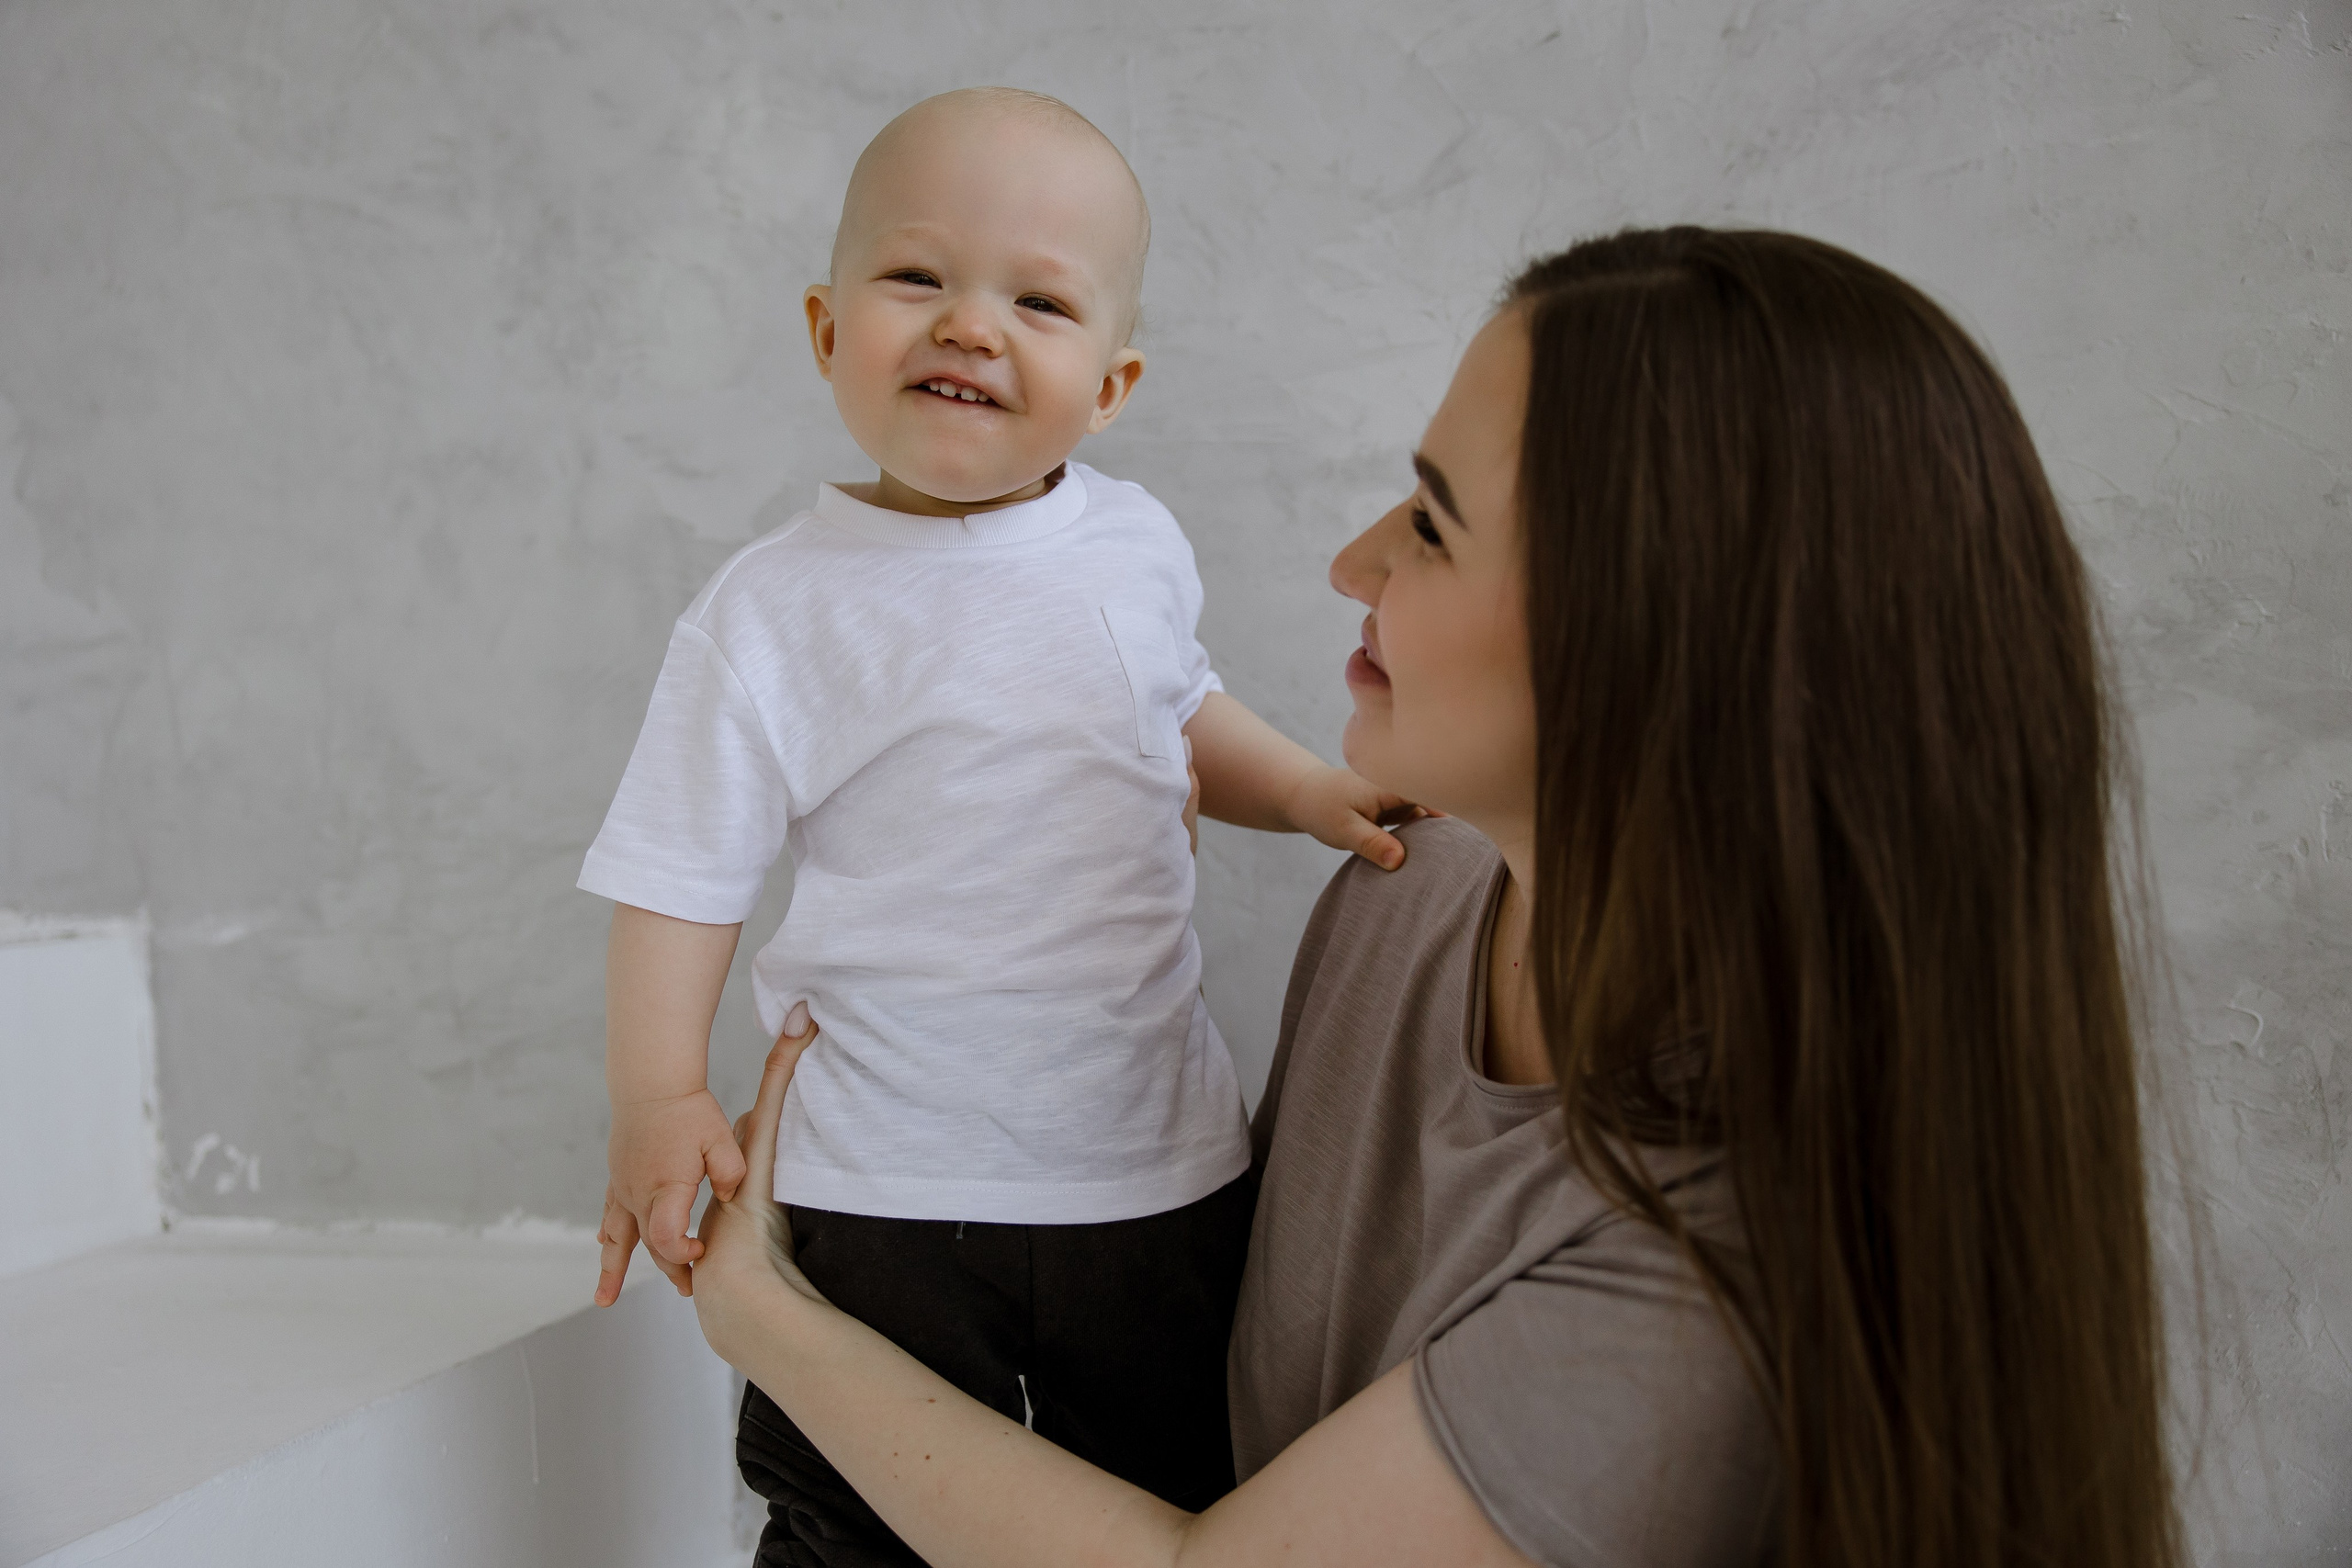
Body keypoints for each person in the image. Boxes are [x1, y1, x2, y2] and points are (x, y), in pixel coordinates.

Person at [687, 226, 2188, 1567]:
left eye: (1432, 521)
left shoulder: (1704, 1283)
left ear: (1654, 652)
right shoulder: (1409, 892)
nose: (1353, 564)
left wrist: (767, 1317)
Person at [578, 88, 1414, 1565]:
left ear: (1112, 383)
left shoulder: (1132, 541)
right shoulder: (773, 610)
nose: (971, 324)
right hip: (882, 1171)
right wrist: (657, 1094)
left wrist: (1301, 791)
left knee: (1172, 1479)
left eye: (1039, 300)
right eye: (919, 277)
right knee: (851, 1505)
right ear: (828, 330)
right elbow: (678, 865)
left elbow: (1175, 708)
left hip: (1151, 1158)